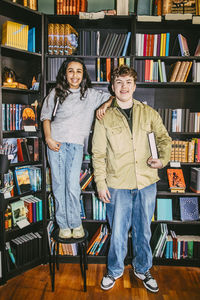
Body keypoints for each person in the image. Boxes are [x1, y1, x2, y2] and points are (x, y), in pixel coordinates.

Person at [92, 65, 172, 293]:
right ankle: (114, 270)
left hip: (146, 182)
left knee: (143, 230)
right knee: (117, 231)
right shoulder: (103, 116)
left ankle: (142, 268)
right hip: (117, 184)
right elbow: (97, 154)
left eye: (128, 82)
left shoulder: (149, 113)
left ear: (135, 86)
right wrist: (100, 183)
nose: (124, 87)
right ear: (112, 87)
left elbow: (164, 139)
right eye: (119, 82)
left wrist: (163, 159)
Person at [40, 58, 112, 239]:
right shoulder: (55, 92)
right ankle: (63, 224)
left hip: (76, 145)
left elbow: (113, 98)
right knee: (58, 185)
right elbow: (46, 117)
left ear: (83, 74)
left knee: (72, 186)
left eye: (79, 71)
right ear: (65, 73)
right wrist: (48, 138)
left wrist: (103, 105)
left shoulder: (91, 94)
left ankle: (75, 222)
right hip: (56, 143)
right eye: (71, 71)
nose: (74, 75)